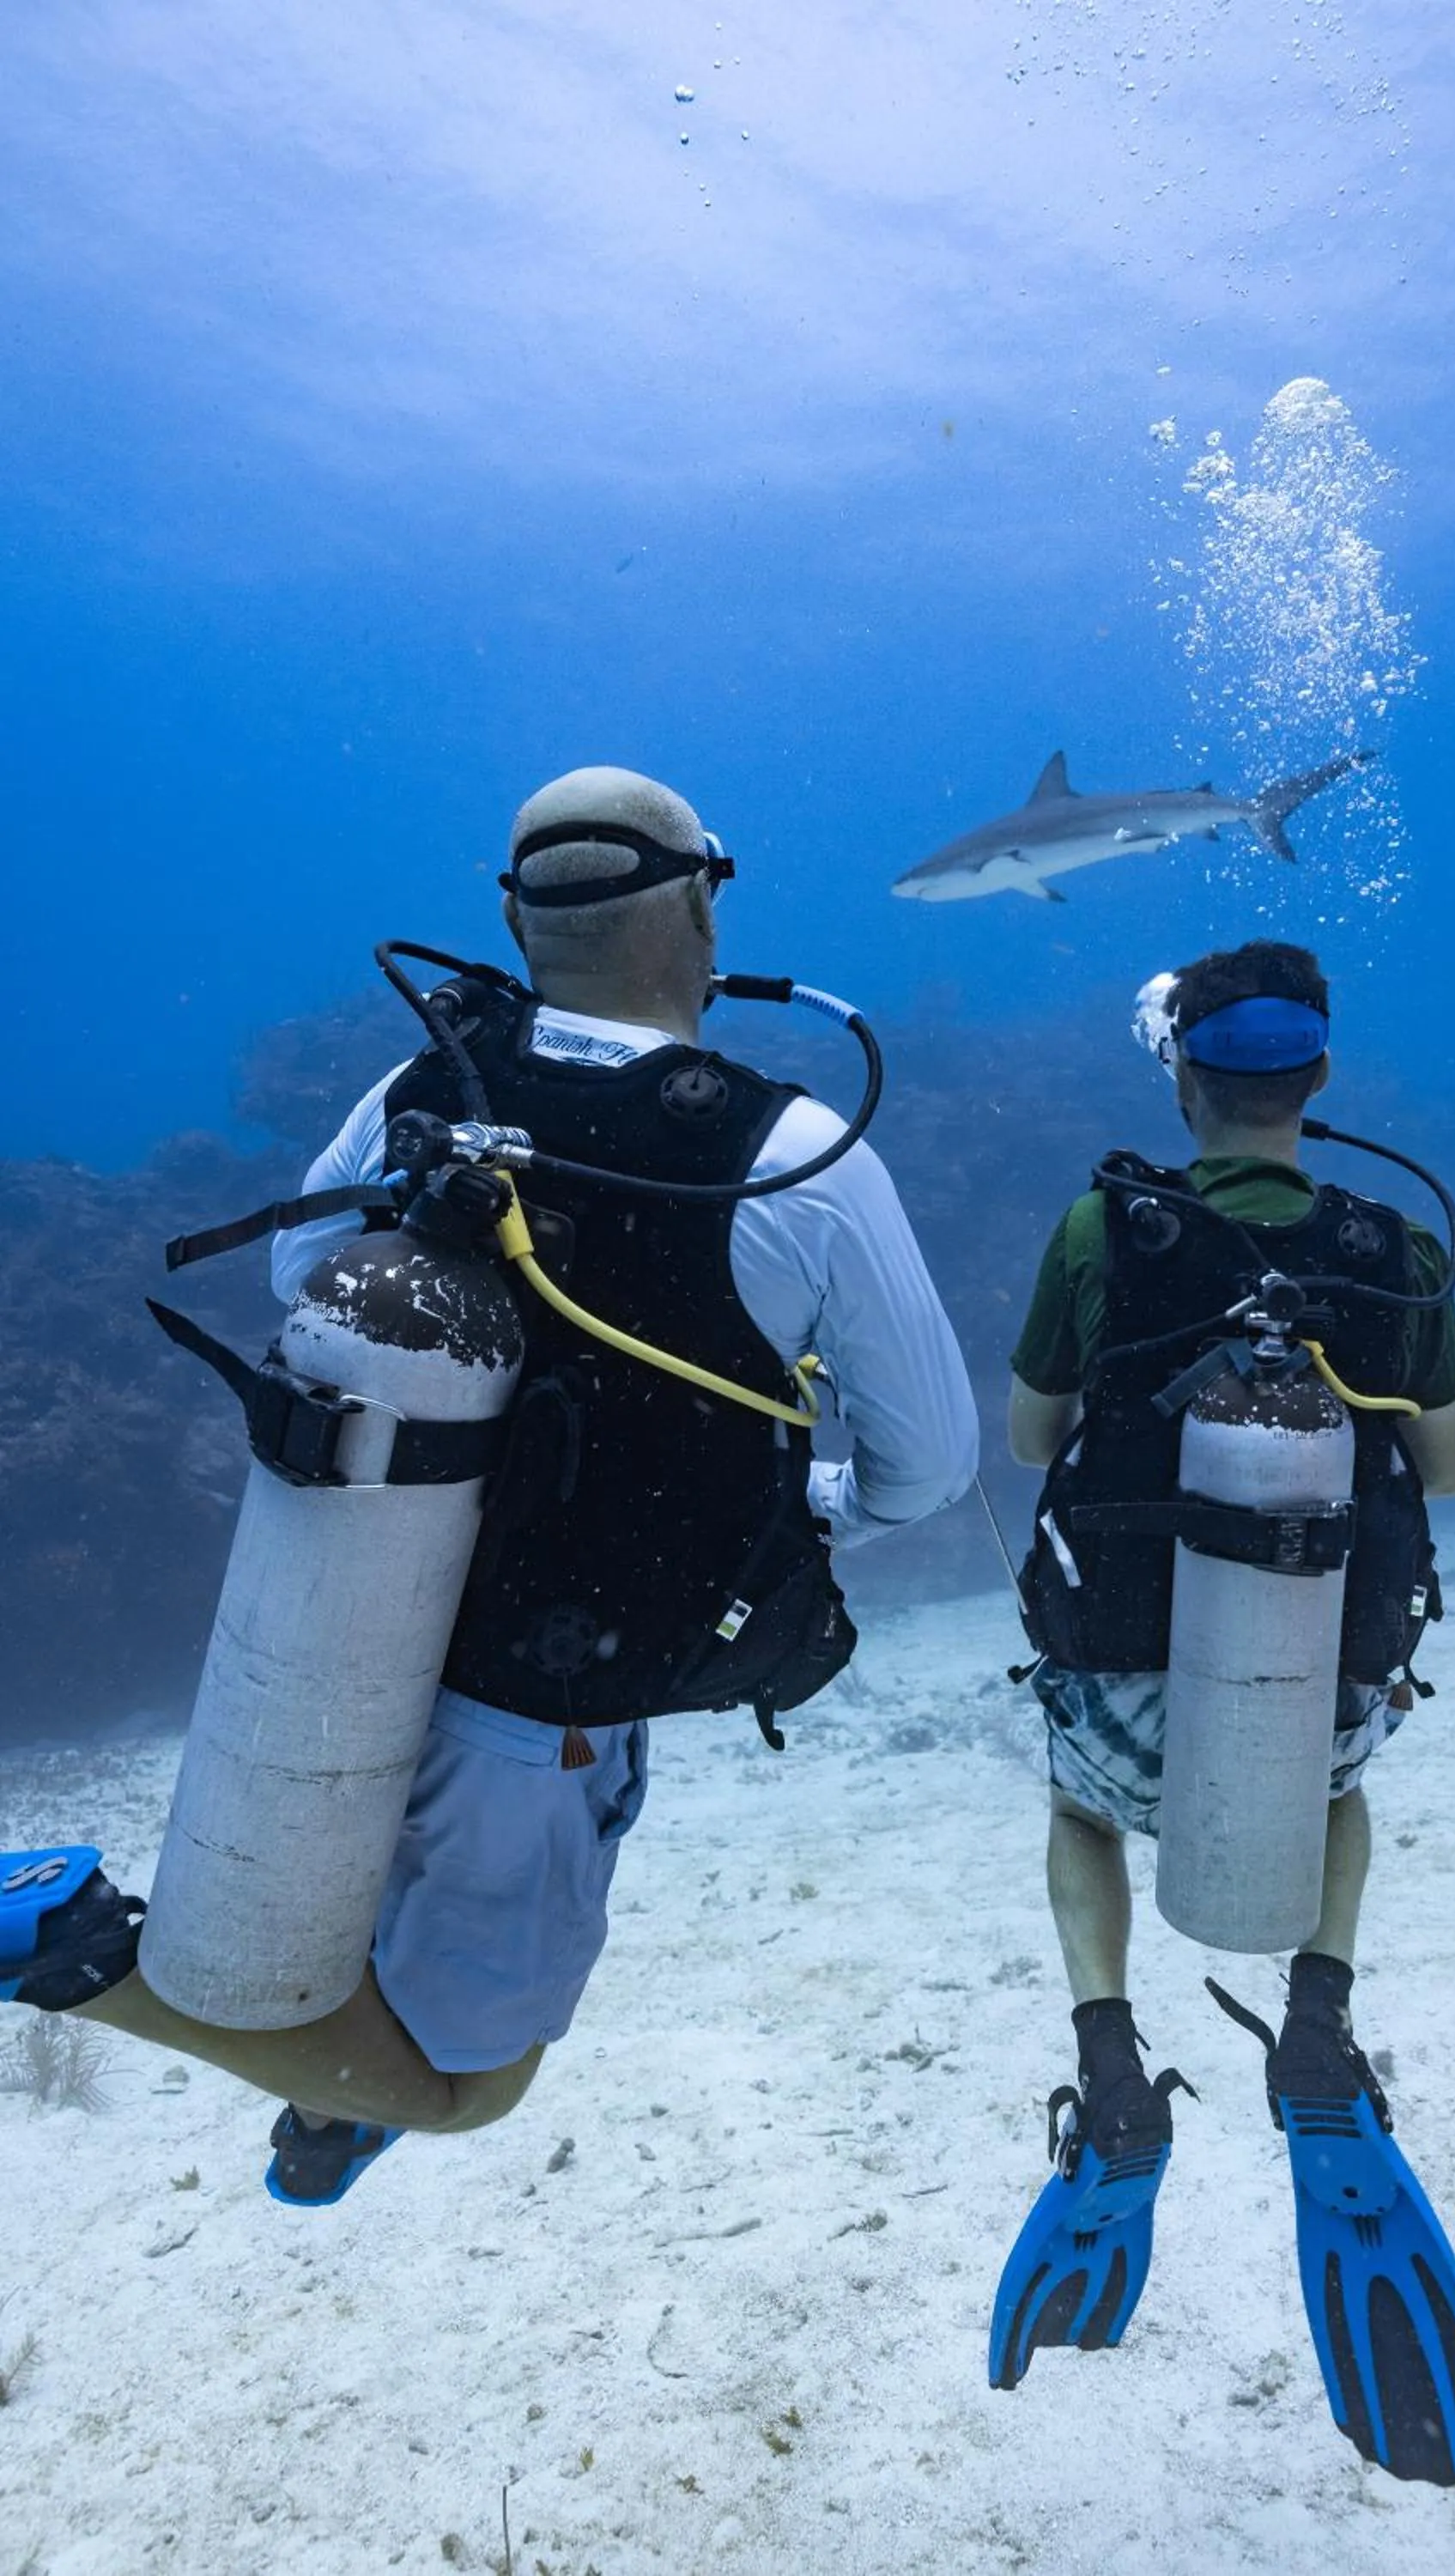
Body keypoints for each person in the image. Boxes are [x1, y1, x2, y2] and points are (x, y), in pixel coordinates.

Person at [1, 765, 978, 2204]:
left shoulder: (423, 1086)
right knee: (473, 2088)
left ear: (517, 920)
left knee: (358, 1914)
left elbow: (300, 1275)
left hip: (342, 1615)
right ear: (705, 903)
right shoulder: (789, 1157)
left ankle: (331, 2109)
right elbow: (931, 1470)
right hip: (536, 1710)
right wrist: (795, 1501)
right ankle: (72, 1954)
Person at [990, 940, 1455, 2485]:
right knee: (1343, 1796)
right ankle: (1318, 2022)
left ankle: (1109, 2048)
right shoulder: (1393, 1244)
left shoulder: (1105, 1223)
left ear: (1180, 1072)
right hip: (1319, 1696)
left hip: (1127, 1686)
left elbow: (1029, 1442)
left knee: (1079, 1808)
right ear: (1320, 1080)